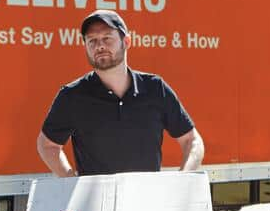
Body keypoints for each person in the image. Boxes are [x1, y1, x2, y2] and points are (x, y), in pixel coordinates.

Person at [36, 9, 204, 177]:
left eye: (107, 38)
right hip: (96, 202)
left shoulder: (155, 89)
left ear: (126, 41)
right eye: (92, 40)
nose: (100, 45)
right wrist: (70, 182)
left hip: (147, 199)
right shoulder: (72, 96)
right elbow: (47, 145)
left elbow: (192, 141)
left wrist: (183, 180)